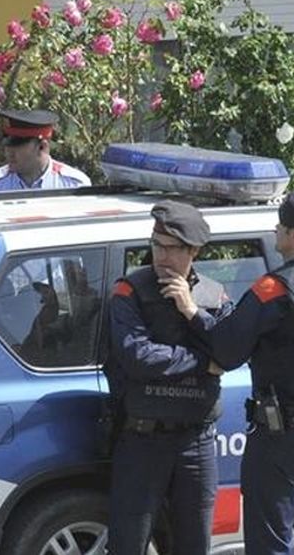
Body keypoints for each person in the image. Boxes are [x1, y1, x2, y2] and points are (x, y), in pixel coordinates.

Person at [186, 188, 294, 555]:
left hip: (283, 431)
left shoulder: (275, 289)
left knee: (271, 538)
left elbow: (227, 350)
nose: (275, 230)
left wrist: (192, 311)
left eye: (281, 225)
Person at [104, 200, 231, 555]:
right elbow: (138, 357)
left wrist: (191, 311)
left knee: (194, 546)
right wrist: (202, 363)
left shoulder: (212, 295)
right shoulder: (131, 290)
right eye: (156, 245)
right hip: (144, 440)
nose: (161, 256)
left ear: (193, 250)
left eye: (171, 248)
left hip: (196, 442)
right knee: (129, 544)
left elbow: (231, 352)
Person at [0, 109, 90, 191]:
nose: (9, 152)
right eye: (7, 145)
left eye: (18, 146)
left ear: (42, 147)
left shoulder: (74, 185)